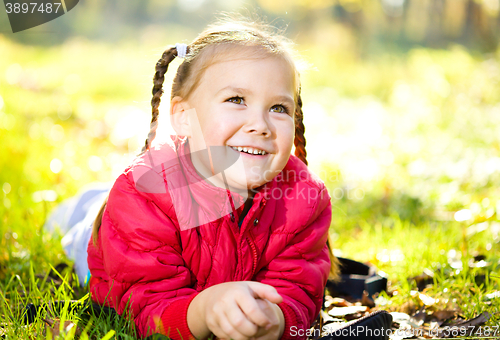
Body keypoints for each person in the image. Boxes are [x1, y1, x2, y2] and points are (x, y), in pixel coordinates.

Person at [86, 16, 338, 340]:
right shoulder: (142, 195)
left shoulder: (303, 199)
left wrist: (275, 318)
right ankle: (84, 206)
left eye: (278, 107)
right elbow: (144, 305)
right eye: (236, 100)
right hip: (108, 245)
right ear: (183, 117)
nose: (260, 125)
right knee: (78, 219)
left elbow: (298, 289)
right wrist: (203, 311)